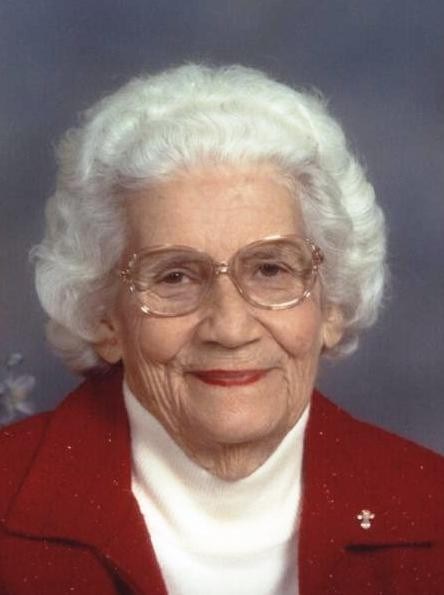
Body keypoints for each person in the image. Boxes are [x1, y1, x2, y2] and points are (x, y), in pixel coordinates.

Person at [1, 64, 443, 595]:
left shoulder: (431, 508)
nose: (230, 329)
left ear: (331, 306)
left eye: (271, 269)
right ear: (104, 316)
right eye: (174, 276)